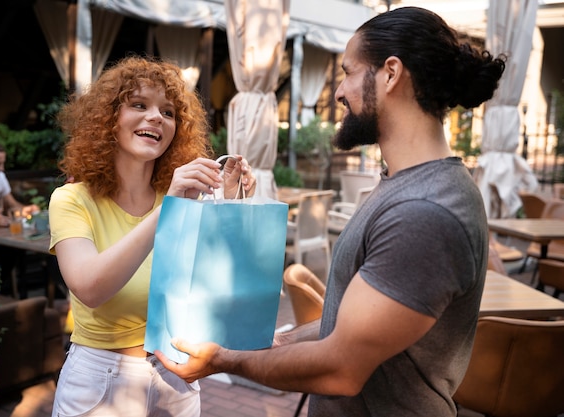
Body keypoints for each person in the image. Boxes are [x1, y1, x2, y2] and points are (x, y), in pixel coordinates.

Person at [154, 7, 506, 417]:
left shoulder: (424, 211)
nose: (338, 91)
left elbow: (341, 368)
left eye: (348, 72)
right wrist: (280, 343)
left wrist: (224, 361)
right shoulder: (402, 184)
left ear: (390, 74)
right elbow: (349, 321)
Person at [48, 55, 255, 417]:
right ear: (108, 119)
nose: (156, 117)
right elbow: (90, 288)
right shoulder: (71, 200)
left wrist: (232, 203)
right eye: (138, 105)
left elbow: (215, 283)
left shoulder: (180, 198)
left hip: (176, 376)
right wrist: (169, 210)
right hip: (101, 382)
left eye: (169, 112)